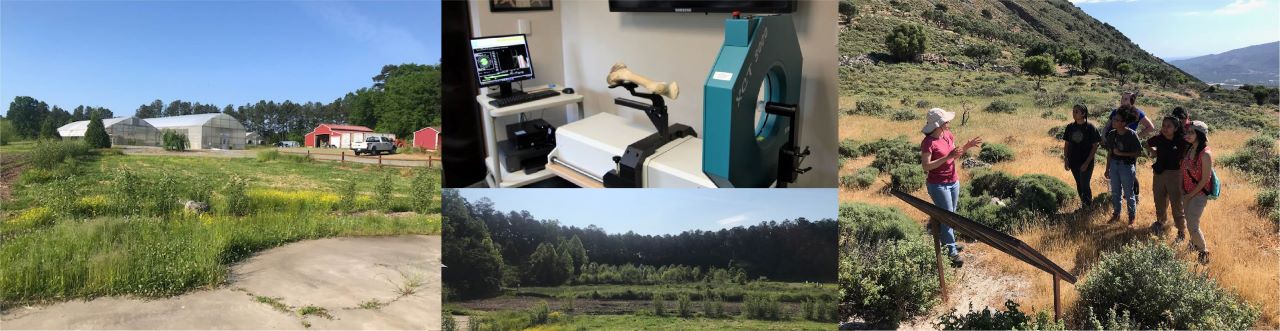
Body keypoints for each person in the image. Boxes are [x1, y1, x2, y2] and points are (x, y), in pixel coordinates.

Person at [919, 108, 982, 265]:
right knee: (947, 217)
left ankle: (949, 243)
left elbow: (954, 153)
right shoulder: (928, 143)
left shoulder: (947, 135)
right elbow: (926, 166)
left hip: (953, 181)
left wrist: (967, 146)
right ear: (938, 124)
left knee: (951, 215)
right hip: (938, 185)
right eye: (946, 121)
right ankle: (952, 254)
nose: (948, 123)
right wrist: (947, 157)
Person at [1107, 92, 1156, 205]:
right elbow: (1107, 125)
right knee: (1114, 170)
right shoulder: (1116, 111)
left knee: (1130, 173)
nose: (1122, 100)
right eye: (1122, 98)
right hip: (1115, 143)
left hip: (1129, 148)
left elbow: (1150, 127)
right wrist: (1105, 135)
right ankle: (1115, 196)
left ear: (1131, 101)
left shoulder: (1138, 113)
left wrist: (1136, 136)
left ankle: (1134, 196)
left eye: (1125, 99)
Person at [1147, 116, 1189, 234]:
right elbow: (1147, 143)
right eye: (1164, 125)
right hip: (1159, 173)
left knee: (1177, 203)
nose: (1165, 128)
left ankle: (1181, 229)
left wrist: (1184, 161)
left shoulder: (1181, 141)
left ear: (1176, 128)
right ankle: (1161, 222)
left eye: (1169, 126)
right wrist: (1154, 152)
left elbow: (1190, 150)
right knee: (1159, 199)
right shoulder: (1159, 138)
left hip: (1175, 174)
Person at [1181, 121, 1214, 264]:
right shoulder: (1190, 149)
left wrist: (1190, 194)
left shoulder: (1205, 154)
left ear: (1200, 135)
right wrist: (1183, 190)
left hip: (1198, 194)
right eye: (1187, 132)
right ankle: (1194, 244)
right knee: (1189, 222)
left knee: (1193, 224)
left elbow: (1205, 180)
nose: (1187, 135)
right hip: (1187, 193)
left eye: (1191, 132)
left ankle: (1203, 252)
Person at [1103, 108, 1143, 225]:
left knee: (1129, 194)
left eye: (1116, 120)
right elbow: (1110, 152)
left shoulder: (1131, 134)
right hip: (1114, 165)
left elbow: (1138, 153)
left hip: (1126, 167)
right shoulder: (1111, 134)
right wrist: (1107, 169)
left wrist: (1122, 154)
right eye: (1114, 119)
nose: (1113, 121)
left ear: (1123, 123)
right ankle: (1116, 214)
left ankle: (1132, 217)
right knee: (1115, 192)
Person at [1063, 104, 1101, 210]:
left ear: (1083, 114)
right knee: (1079, 184)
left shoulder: (1090, 127)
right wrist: (1066, 159)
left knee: (1085, 184)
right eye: (1073, 111)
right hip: (1073, 161)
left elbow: (1095, 146)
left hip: (1086, 161)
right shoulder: (1070, 127)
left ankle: (1088, 206)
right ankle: (1084, 206)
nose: (1074, 113)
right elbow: (1067, 144)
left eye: (1076, 112)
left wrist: (1086, 163)